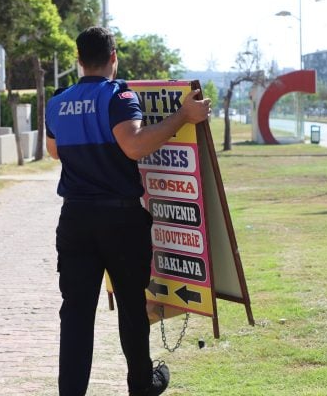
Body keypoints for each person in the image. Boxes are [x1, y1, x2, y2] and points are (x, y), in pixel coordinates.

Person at [45, 26, 211, 396]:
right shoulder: (118, 96)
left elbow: (54, 151)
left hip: (74, 219)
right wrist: (182, 116)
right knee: (132, 307)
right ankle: (141, 385)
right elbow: (134, 146)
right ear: (113, 58)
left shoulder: (57, 101)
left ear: (78, 59)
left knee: (75, 313)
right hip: (119, 219)